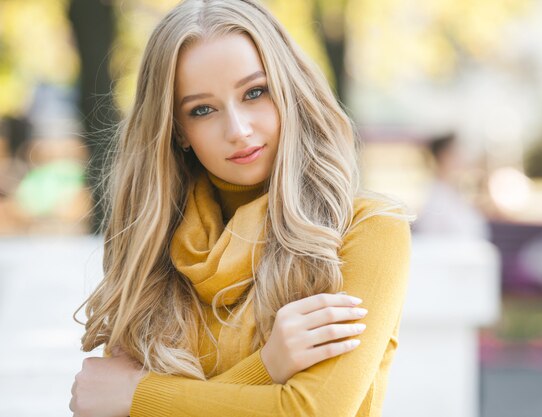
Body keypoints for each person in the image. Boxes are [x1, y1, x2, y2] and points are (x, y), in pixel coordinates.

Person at [69, 1, 412, 416]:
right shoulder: (150, 253)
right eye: (203, 110)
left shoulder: (365, 229)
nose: (238, 129)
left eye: (255, 92)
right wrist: (266, 369)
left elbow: (311, 411)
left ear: (287, 89)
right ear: (178, 130)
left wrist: (138, 397)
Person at [415, 133, 489, 240]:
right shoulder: (433, 197)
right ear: (444, 157)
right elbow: (430, 239)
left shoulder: (455, 194)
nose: (463, 158)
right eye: (457, 152)